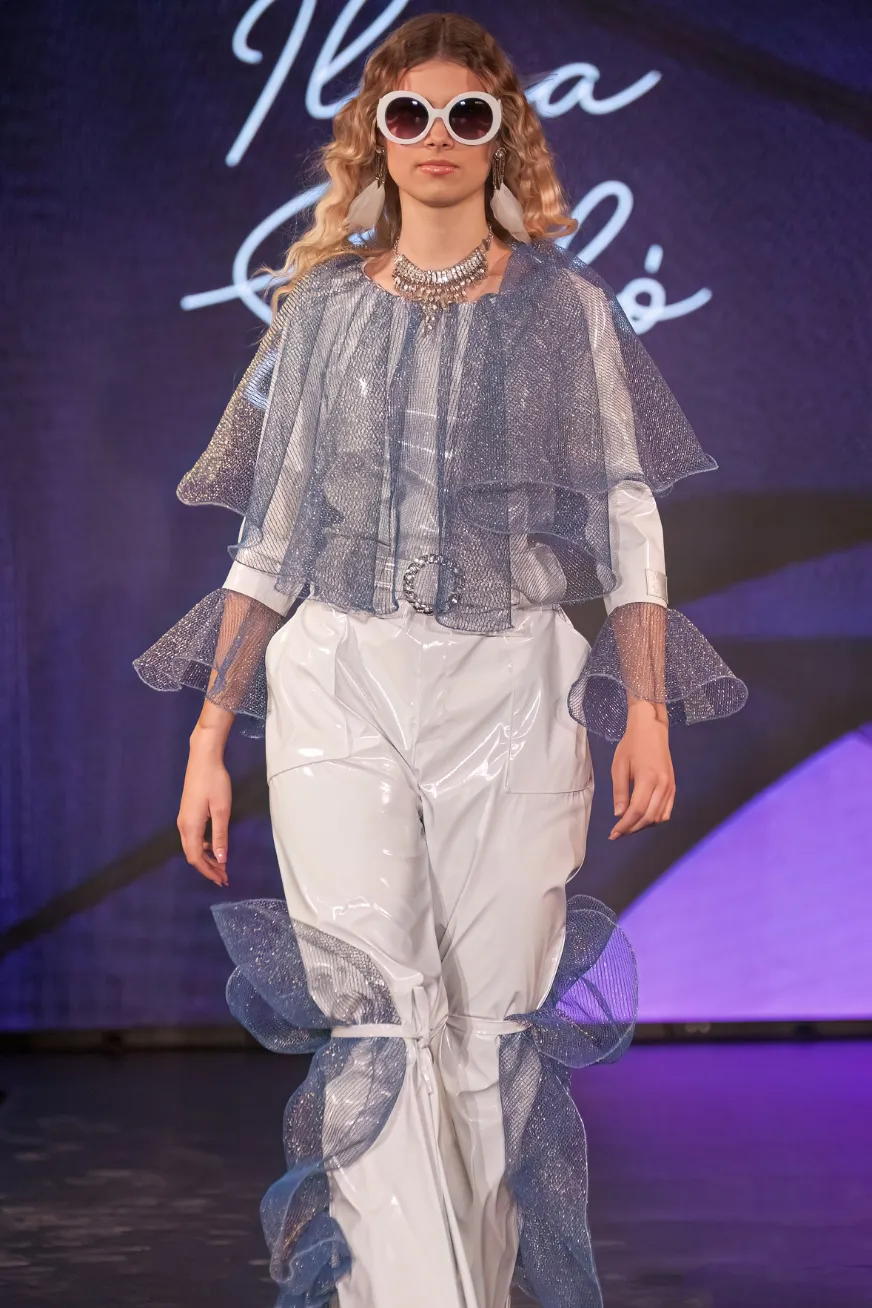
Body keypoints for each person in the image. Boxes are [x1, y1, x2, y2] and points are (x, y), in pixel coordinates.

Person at [135, 13, 747, 1308]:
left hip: (514, 683)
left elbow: (626, 510)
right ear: (375, 134)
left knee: (484, 1036)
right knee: (379, 1020)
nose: (435, 137)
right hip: (337, 685)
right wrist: (208, 734)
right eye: (406, 113)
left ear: (501, 134)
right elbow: (273, 535)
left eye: (467, 114)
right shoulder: (318, 312)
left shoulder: (568, 313)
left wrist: (646, 703)